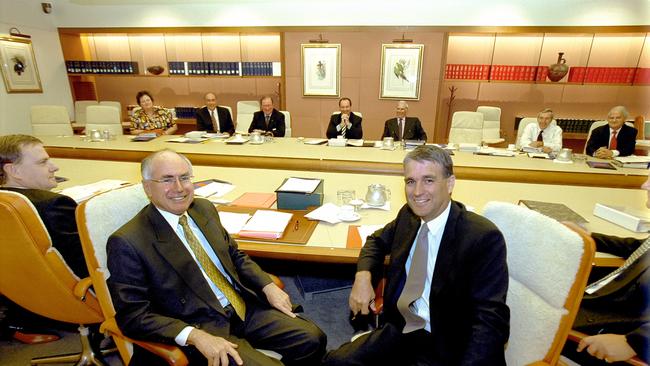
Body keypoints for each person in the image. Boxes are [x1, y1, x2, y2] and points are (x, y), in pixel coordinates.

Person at [106, 149, 326, 365]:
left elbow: (234, 255)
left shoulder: (203, 208)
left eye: (184, 177)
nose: (179, 188)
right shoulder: (128, 242)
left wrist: (267, 285)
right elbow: (132, 316)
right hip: (199, 324)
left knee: (312, 339)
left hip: (240, 306)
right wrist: (193, 335)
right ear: (147, 187)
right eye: (167, 180)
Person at [323, 145, 510, 365]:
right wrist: (363, 277)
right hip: (403, 328)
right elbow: (376, 241)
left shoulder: (482, 237)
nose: (417, 191)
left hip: (449, 344)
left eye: (428, 180)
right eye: (410, 181)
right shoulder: (409, 216)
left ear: (450, 184)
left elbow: (490, 322)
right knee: (334, 362)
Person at [0, 134, 89, 343]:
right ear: (13, 170)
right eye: (43, 162)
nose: (54, 167)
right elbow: (86, 262)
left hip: (25, 295)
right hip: (71, 298)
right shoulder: (53, 205)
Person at [563, 172, 650, 365]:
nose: (644, 185)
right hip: (595, 302)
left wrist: (634, 342)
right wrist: (589, 237)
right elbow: (638, 247)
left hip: (602, 331)